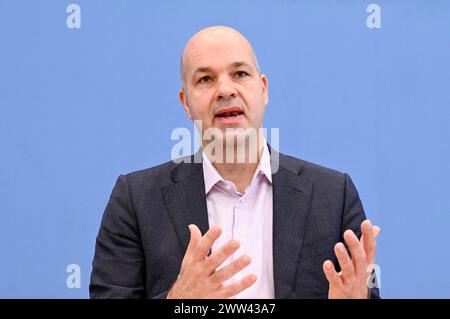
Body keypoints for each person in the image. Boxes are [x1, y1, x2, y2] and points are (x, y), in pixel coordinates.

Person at [89, 26, 381, 299]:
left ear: (263, 89)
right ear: (185, 103)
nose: (225, 90)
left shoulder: (333, 194)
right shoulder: (135, 200)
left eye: (240, 74)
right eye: (205, 79)